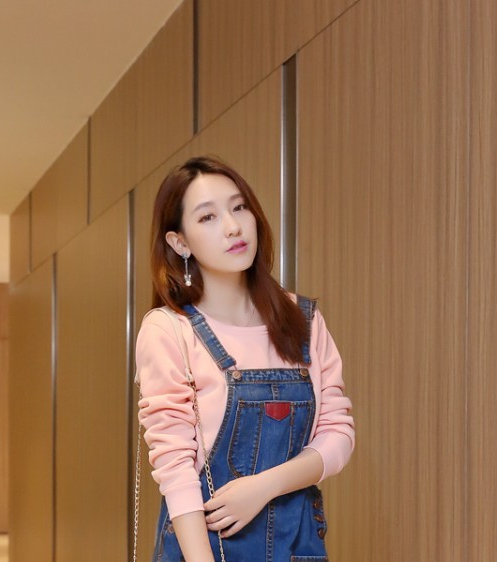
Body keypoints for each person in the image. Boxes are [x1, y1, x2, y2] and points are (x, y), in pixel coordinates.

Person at [136, 156, 354, 562]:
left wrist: (264, 487)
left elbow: (338, 435)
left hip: (298, 548)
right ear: (180, 243)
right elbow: (175, 467)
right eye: (208, 217)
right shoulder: (169, 330)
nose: (233, 226)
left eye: (239, 207)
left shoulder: (304, 320)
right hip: (204, 549)